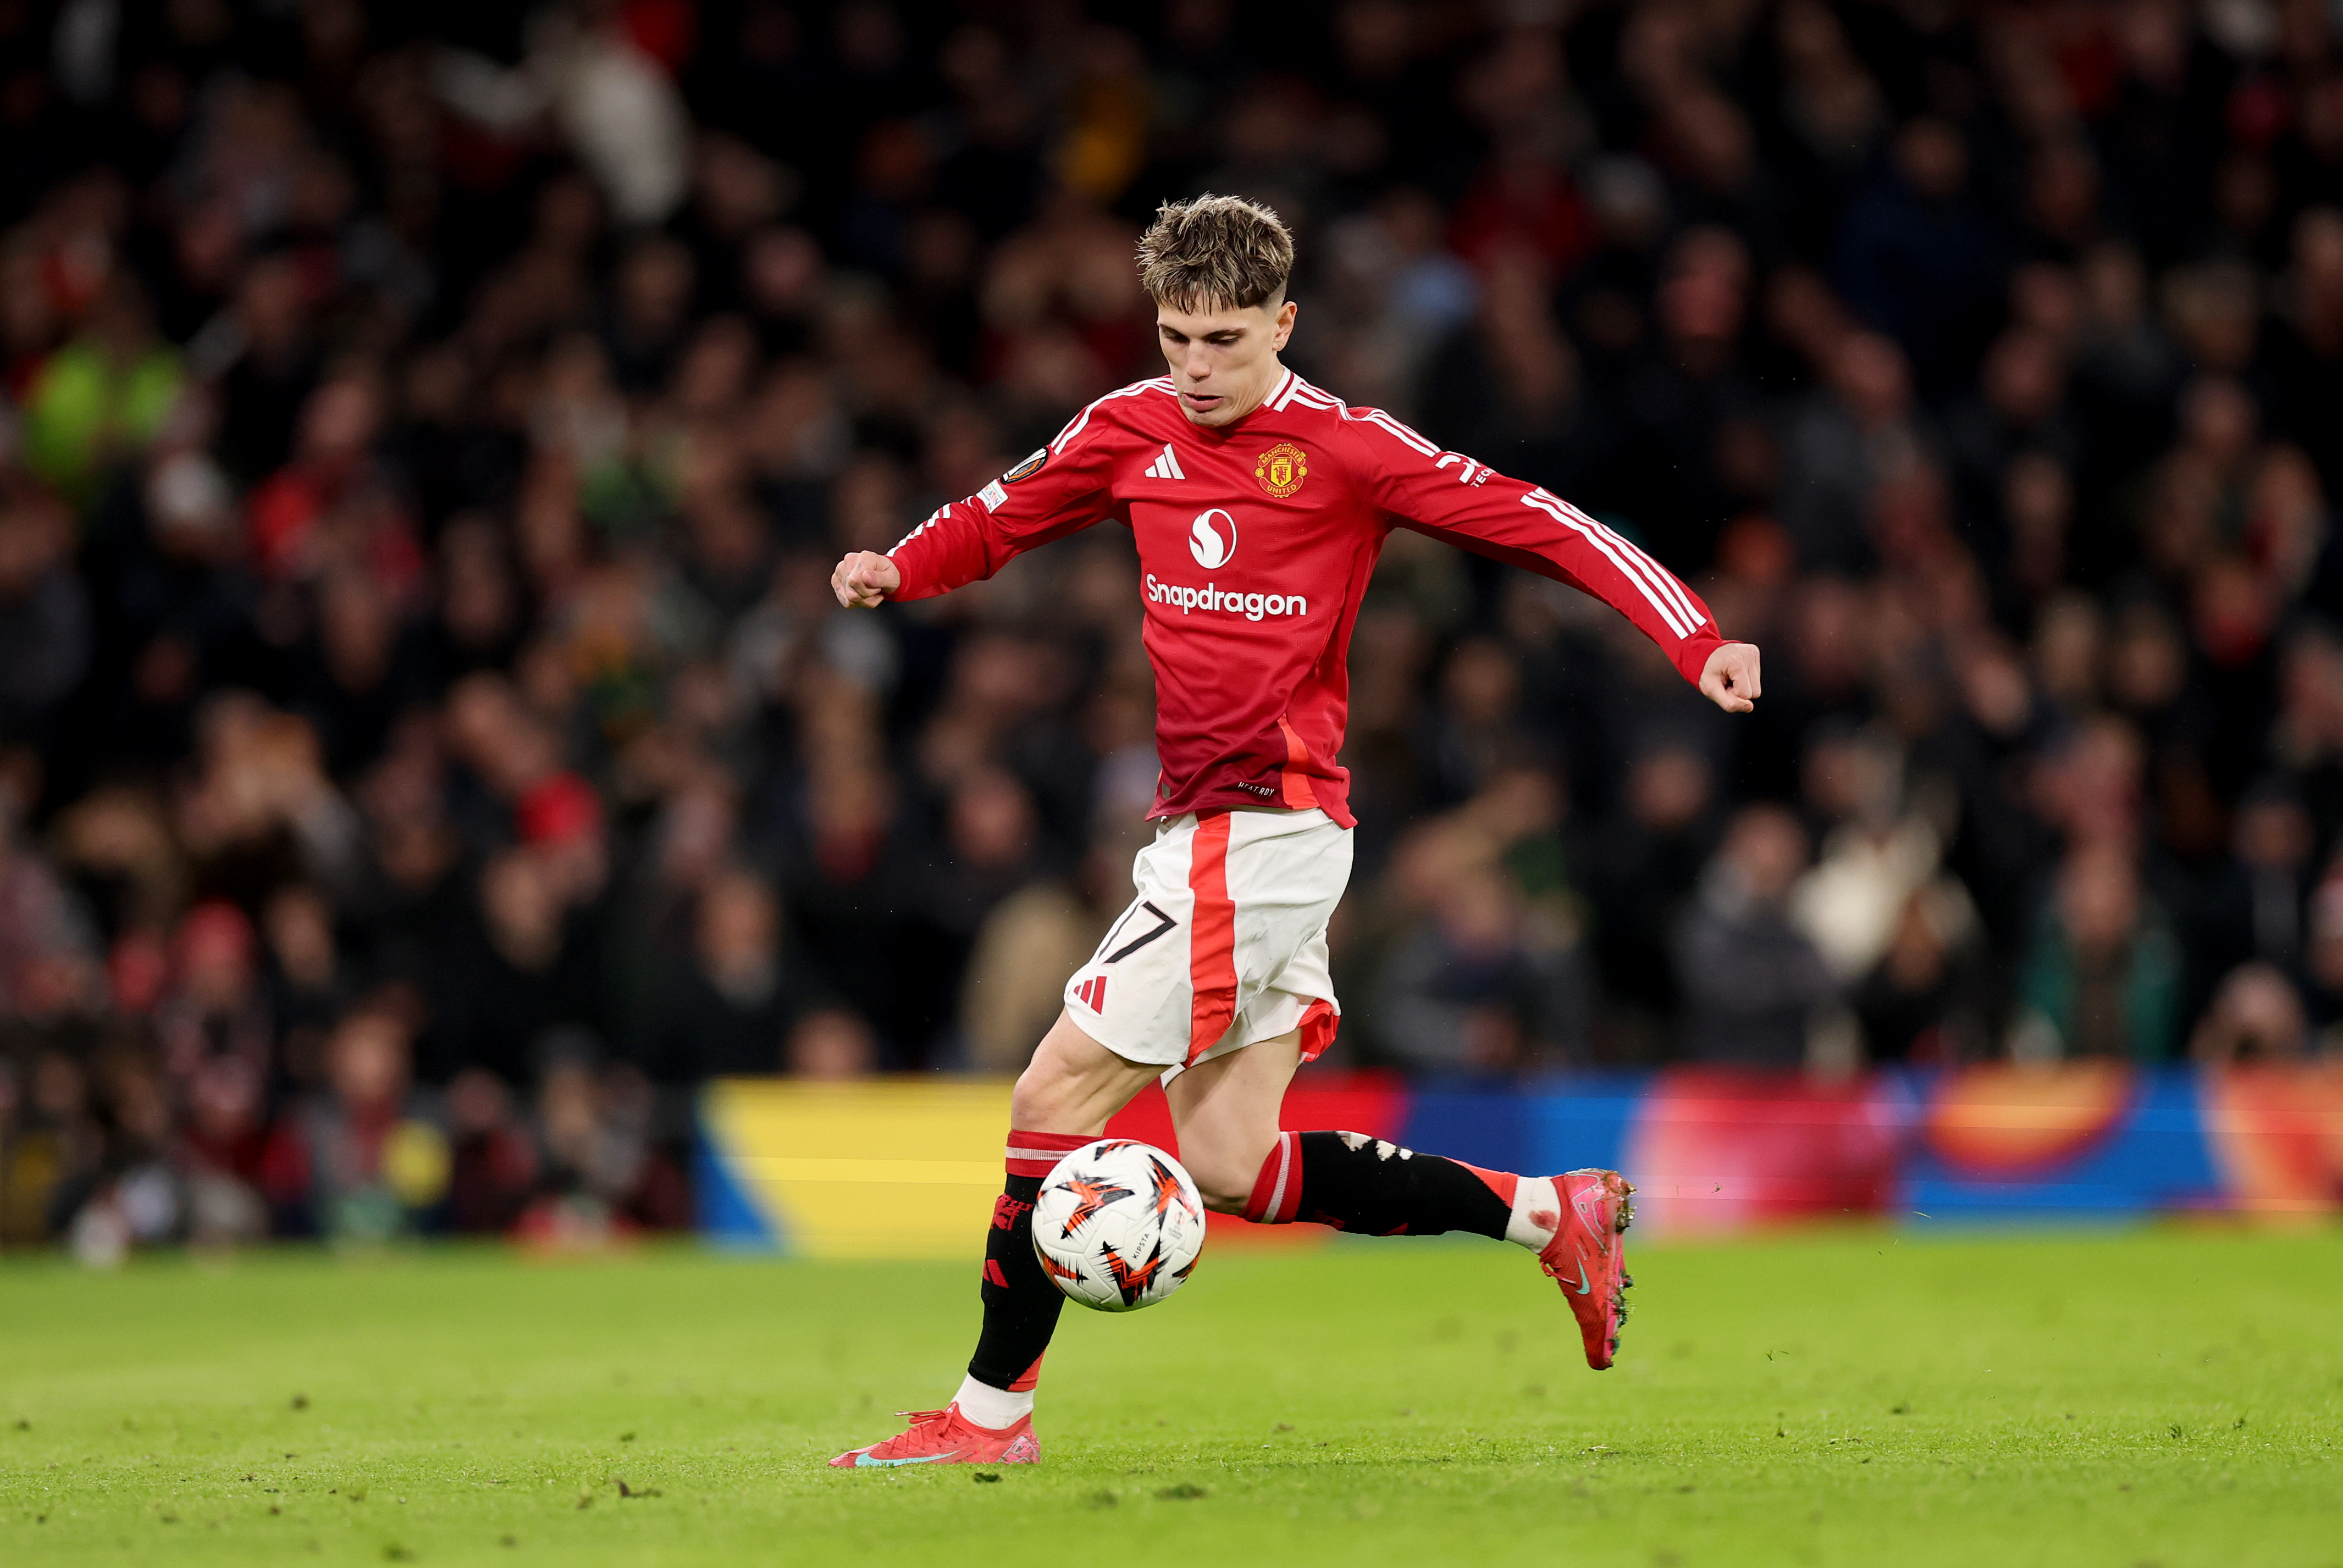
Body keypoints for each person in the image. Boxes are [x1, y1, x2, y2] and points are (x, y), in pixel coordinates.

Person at [825, 195, 1762, 1469]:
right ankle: (1552, 1215)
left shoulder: (1347, 447)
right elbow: (1004, 513)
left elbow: (1542, 521)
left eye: (1222, 338)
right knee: (1220, 1160)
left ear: (1283, 320)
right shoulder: (1126, 428)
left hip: (1260, 834)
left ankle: (989, 1420)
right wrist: (902, 563)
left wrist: (1693, 635)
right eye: (1174, 338)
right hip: (1212, 836)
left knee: (1050, 1092)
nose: (1196, 368)